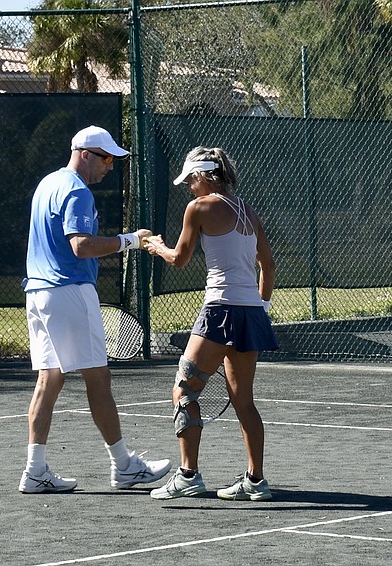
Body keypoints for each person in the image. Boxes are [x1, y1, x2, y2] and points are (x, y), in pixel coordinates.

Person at [19, 125, 171, 494]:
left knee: (49, 380)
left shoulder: (47, 184)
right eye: (106, 158)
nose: (110, 166)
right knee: (98, 379)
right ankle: (124, 466)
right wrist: (132, 240)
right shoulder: (76, 190)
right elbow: (82, 246)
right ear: (85, 154)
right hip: (68, 292)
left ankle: (34, 471)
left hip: (38, 294)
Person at [144, 146, 278, 501]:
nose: (189, 187)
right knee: (243, 401)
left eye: (191, 179)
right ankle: (256, 481)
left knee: (184, 388)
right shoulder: (247, 210)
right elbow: (268, 264)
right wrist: (260, 306)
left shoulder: (198, 208)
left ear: (203, 175)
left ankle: (187, 475)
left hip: (220, 310)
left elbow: (179, 259)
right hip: (249, 313)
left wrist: (154, 245)